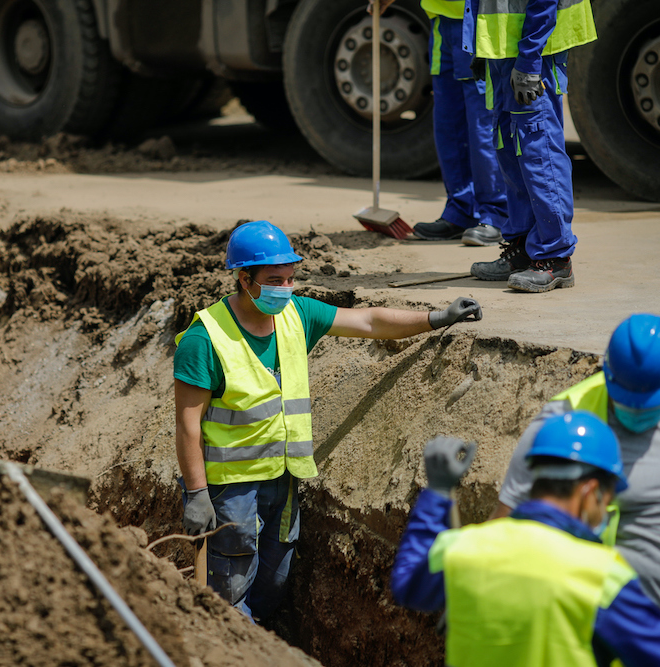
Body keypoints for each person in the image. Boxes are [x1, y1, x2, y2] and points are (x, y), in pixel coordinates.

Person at [174, 220, 482, 622]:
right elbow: (187, 425)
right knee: (231, 590)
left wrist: (437, 316)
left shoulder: (296, 315)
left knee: (275, 579)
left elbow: (369, 323)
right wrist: (197, 493)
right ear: (243, 278)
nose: (284, 288)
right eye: (273, 280)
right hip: (230, 486)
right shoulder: (205, 339)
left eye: (289, 279)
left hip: (283, 477)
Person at [492, 314, 660, 664]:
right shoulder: (567, 421)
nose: (635, 409)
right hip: (594, 632)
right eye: (625, 399)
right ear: (606, 373)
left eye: (646, 401)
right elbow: (505, 525)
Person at [391, 413, 660, 666]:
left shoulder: (464, 548)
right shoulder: (602, 578)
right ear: (590, 492)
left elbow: (407, 585)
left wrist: (437, 494)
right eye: (606, 500)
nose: (606, 511)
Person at [462, 0, 596, 292]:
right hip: (504, 51)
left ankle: (556, 257)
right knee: (510, 150)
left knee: (539, 152)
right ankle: (525, 247)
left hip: (532, 51)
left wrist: (529, 59)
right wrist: (479, 46)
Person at [370, 0, 507, 247]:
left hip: (477, 16)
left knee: (482, 125)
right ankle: (461, 211)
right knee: (449, 123)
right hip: (442, 19)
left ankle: (496, 214)